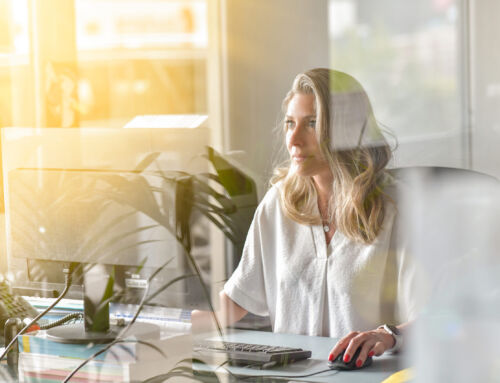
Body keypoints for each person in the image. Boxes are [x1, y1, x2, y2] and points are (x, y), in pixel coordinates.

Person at [192, 68, 419, 368]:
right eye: (290, 124)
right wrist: (159, 323)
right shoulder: (278, 203)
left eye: (312, 124)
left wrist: (388, 335)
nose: (294, 140)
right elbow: (235, 302)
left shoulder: (397, 208)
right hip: (292, 377)